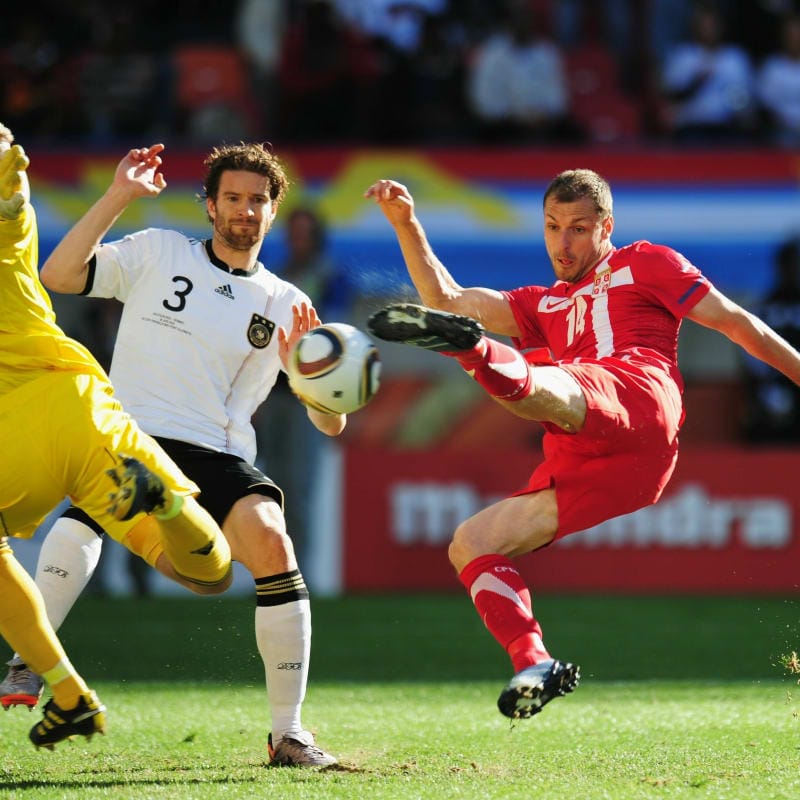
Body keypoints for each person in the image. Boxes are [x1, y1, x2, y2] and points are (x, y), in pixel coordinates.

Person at [363, 170, 800, 720]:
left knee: (549, 382)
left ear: (606, 227)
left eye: (577, 228)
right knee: (471, 543)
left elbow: (737, 323)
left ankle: (472, 352)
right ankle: (534, 662)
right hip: (603, 462)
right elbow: (446, 297)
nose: (562, 243)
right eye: (552, 227)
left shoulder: (646, 262)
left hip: (637, 398)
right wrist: (407, 224)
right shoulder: (540, 304)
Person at [0, 142, 346, 767]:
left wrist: (306, 371)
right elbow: (59, 276)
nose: (245, 211)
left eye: (258, 201)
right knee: (86, 515)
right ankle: (27, 664)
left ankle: (289, 734)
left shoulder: (288, 302)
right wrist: (119, 195)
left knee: (273, 544)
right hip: (129, 430)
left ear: (273, 212)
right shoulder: (157, 250)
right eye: (233, 198)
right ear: (209, 205)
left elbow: (331, 422)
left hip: (215, 452)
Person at [0, 125, 232, 748]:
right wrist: (9, 171)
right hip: (81, 411)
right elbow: (15, 219)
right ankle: (171, 505)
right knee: (208, 576)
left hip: (20, 445)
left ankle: (67, 692)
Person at [741, 237, 800, 443]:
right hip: (776, 387)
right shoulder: (764, 307)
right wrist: (767, 384)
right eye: (793, 264)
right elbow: (749, 351)